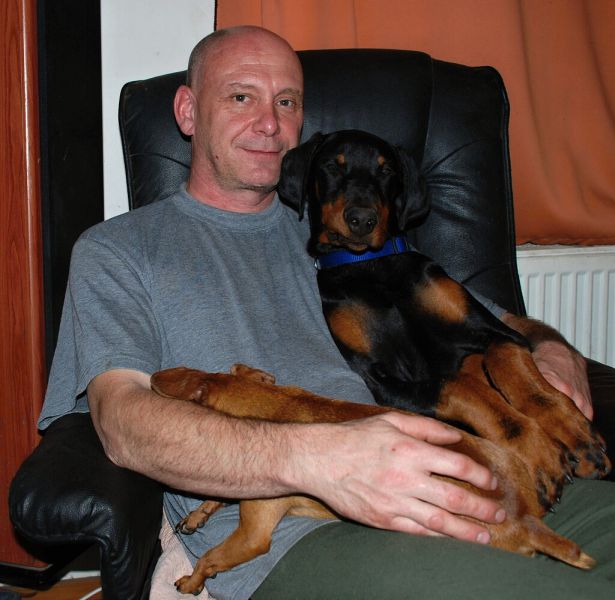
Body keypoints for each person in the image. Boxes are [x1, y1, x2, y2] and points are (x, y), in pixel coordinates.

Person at [39, 25, 615, 599]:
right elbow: (123, 424)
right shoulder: (118, 250)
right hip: (298, 531)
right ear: (188, 111)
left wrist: (553, 350)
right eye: (241, 97)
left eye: (286, 102)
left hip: (486, 474)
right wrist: (320, 460)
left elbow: (496, 323)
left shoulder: (344, 229)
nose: (270, 123)